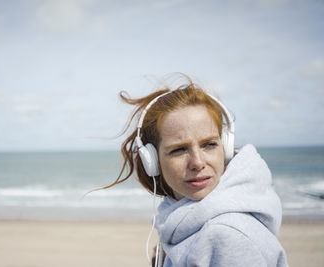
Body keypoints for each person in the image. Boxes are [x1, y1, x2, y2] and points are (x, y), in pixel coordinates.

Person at [105, 74, 288, 266]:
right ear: (153, 160)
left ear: (225, 147)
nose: (197, 162)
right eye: (179, 149)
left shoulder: (225, 236)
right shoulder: (186, 223)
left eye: (209, 144)